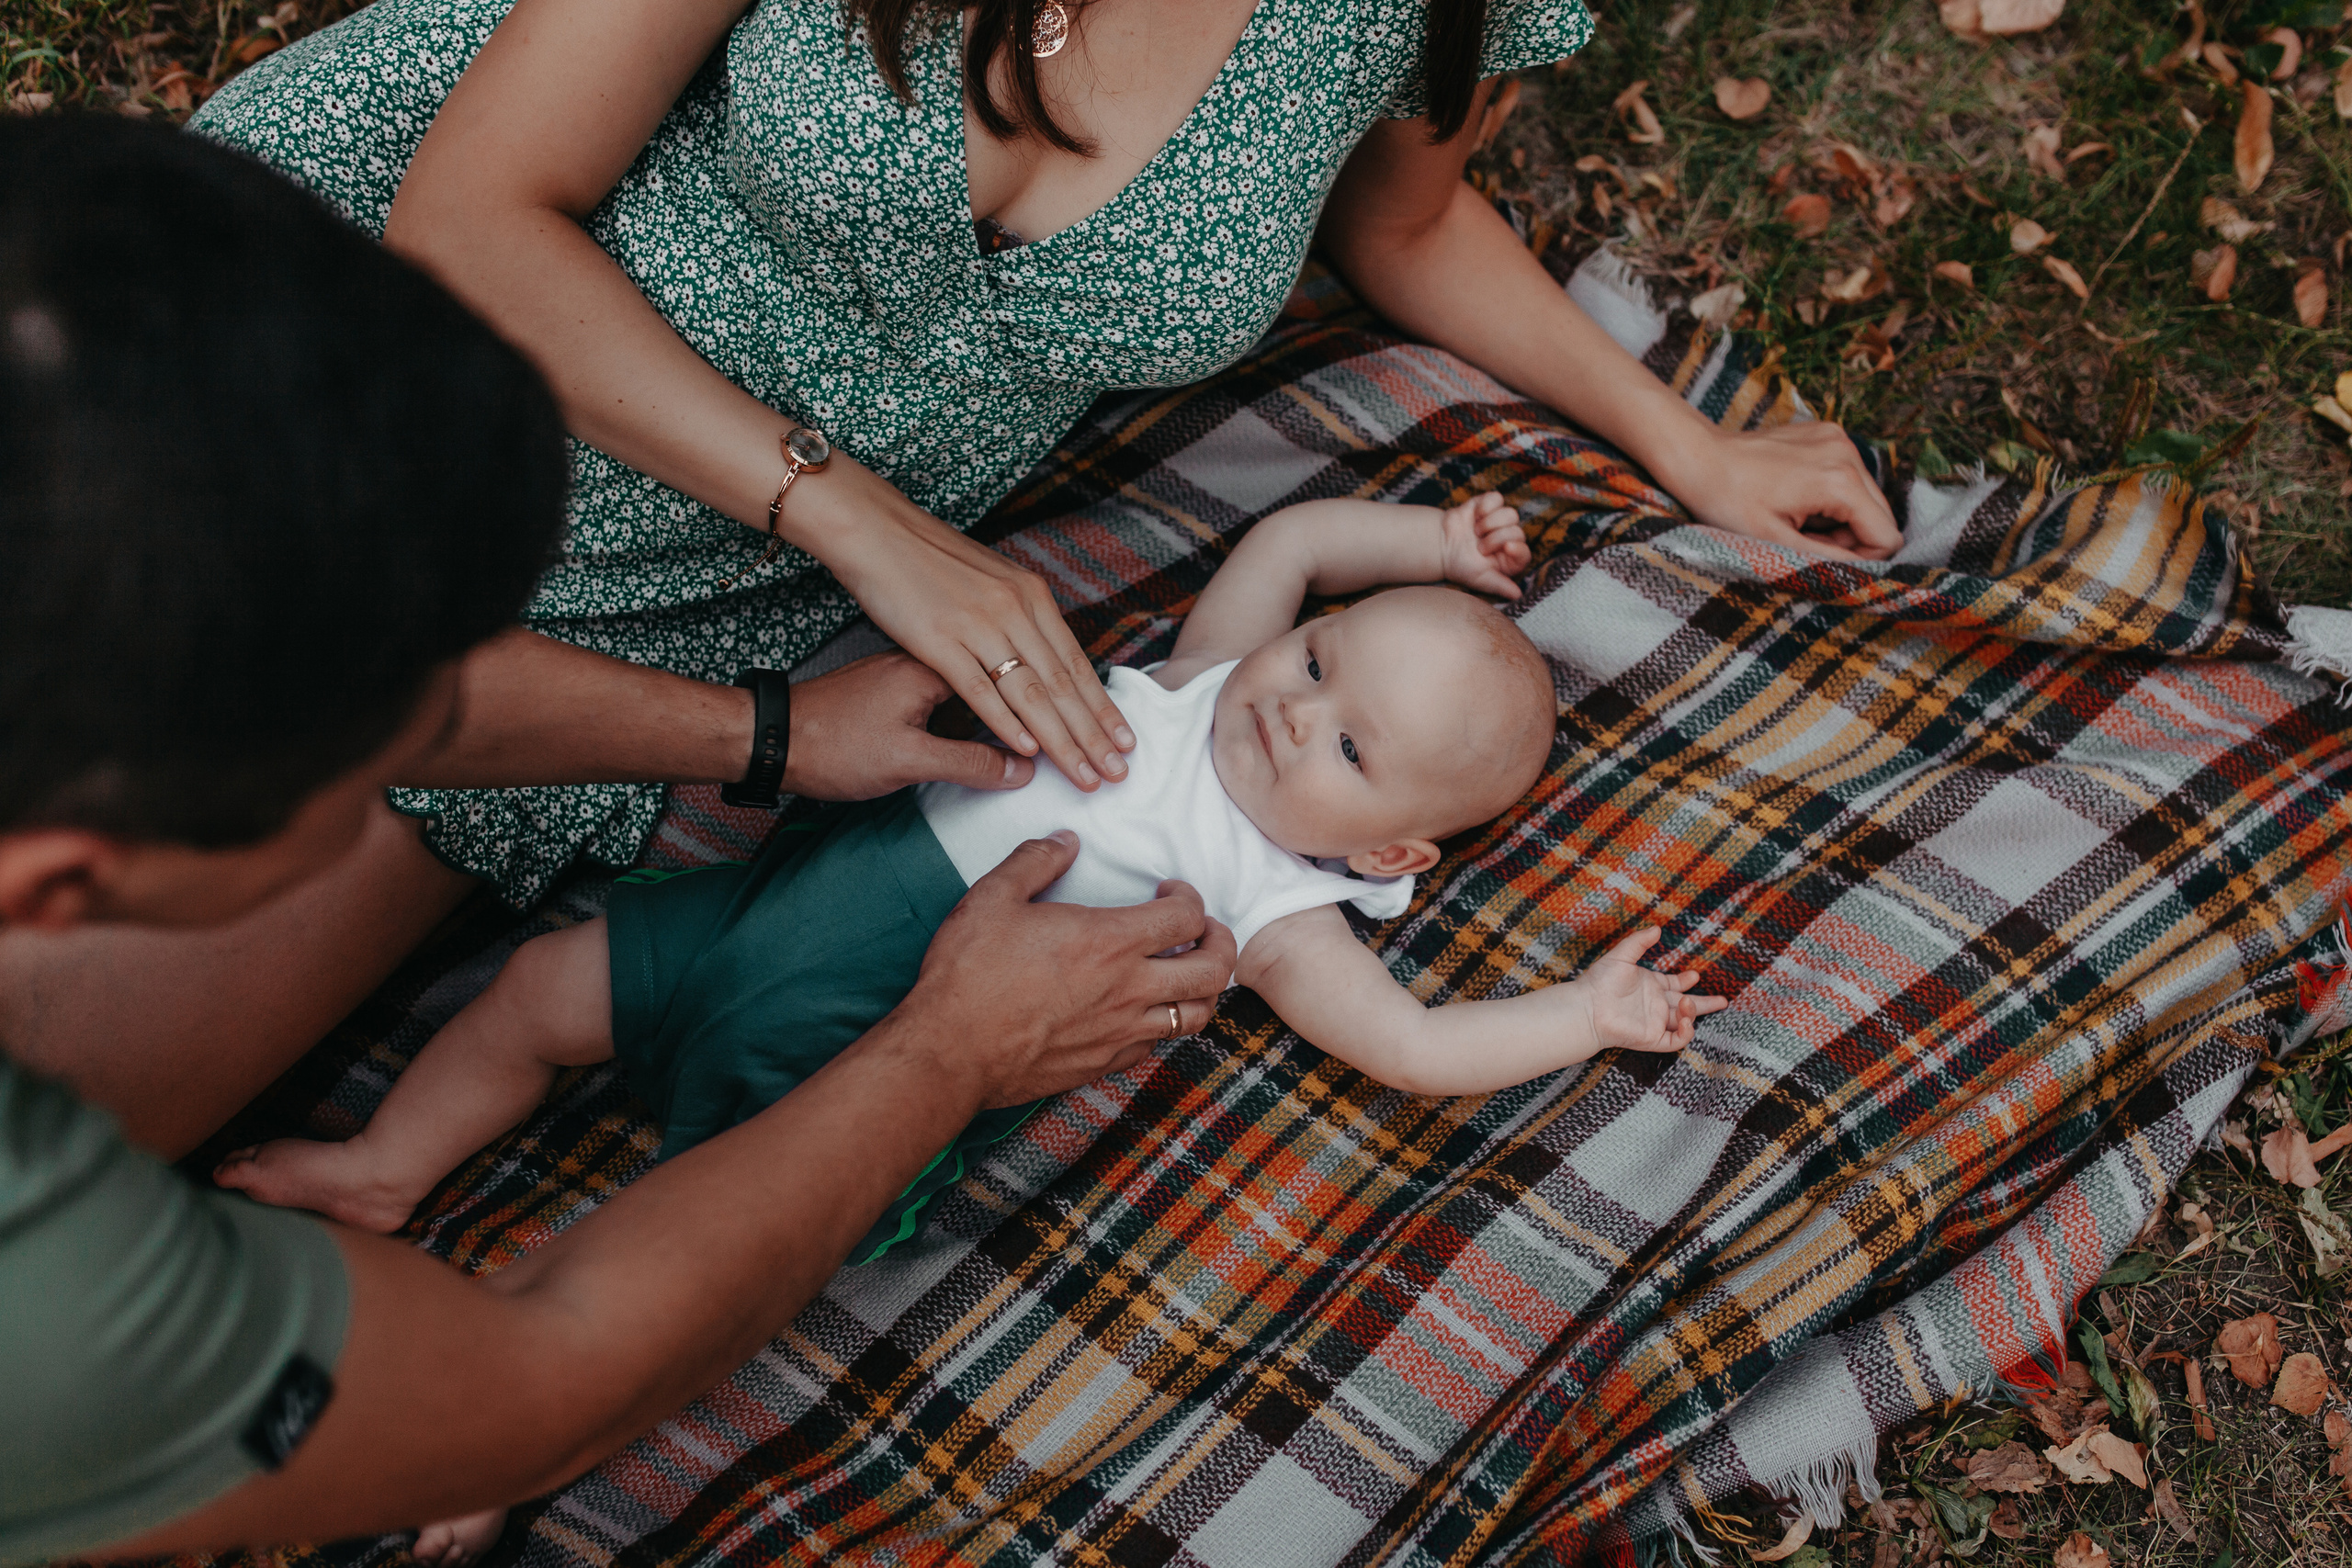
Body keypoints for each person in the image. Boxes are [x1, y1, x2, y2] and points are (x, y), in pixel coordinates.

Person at [0, 0, 1891, 1177]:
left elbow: (1395, 220)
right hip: (405, 354)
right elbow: (476, 215)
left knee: (57, 1118)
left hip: (646, 605)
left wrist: (1690, 446)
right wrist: (850, 518)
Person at [0, 115, 1235, 1567]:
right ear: (71, 882)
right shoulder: (50, 1301)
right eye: (360, 768)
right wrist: (953, 1049)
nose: (420, 748)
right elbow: (542, 1387)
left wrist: (767, 733)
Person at [212, 493, 1728, 1563]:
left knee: (672, 1248)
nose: (1289, 708)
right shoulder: (1207, 686)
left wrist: (1584, 1013)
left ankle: (517, 1431)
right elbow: (1289, 539)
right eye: (1320, 660)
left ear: (1392, 855)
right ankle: (387, 1169)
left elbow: (1410, 1050)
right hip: (751, 930)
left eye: (1346, 742)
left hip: (850, 1075)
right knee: (542, 992)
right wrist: (1439, 548)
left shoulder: (1270, 906)